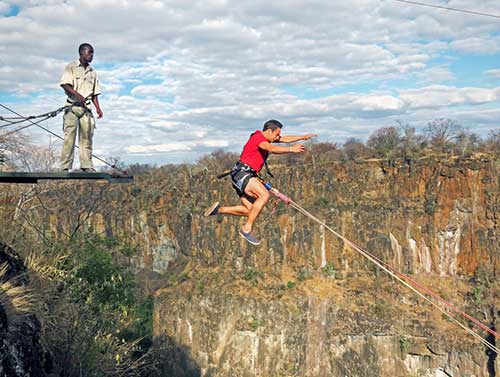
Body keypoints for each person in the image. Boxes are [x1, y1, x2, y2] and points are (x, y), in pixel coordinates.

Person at [204, 119, 316, 245]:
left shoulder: (267, 138)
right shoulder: (258, 139)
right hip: (243, 174)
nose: (278, 137)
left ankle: (219, 210)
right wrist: (291, 149)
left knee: (250, 210)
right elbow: (271, 148)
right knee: (264, 195)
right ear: (269, 131)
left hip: (240, 176)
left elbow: (284, 139)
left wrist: (303, 137)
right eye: (277, 134)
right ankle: (246, 229)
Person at [59, 43, 103, 172]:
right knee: (69, 138)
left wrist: (98, 108)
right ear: (82, 53)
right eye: (89, 52)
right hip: (72, 107)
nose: (91, 55)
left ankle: (86, 165)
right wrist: (78, 95)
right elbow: (65, 85)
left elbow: (95, 93)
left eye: (92, 53)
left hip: (86, 109)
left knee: (86, 138)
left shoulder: (93, 72)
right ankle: (64, 166)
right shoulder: (71, 67)